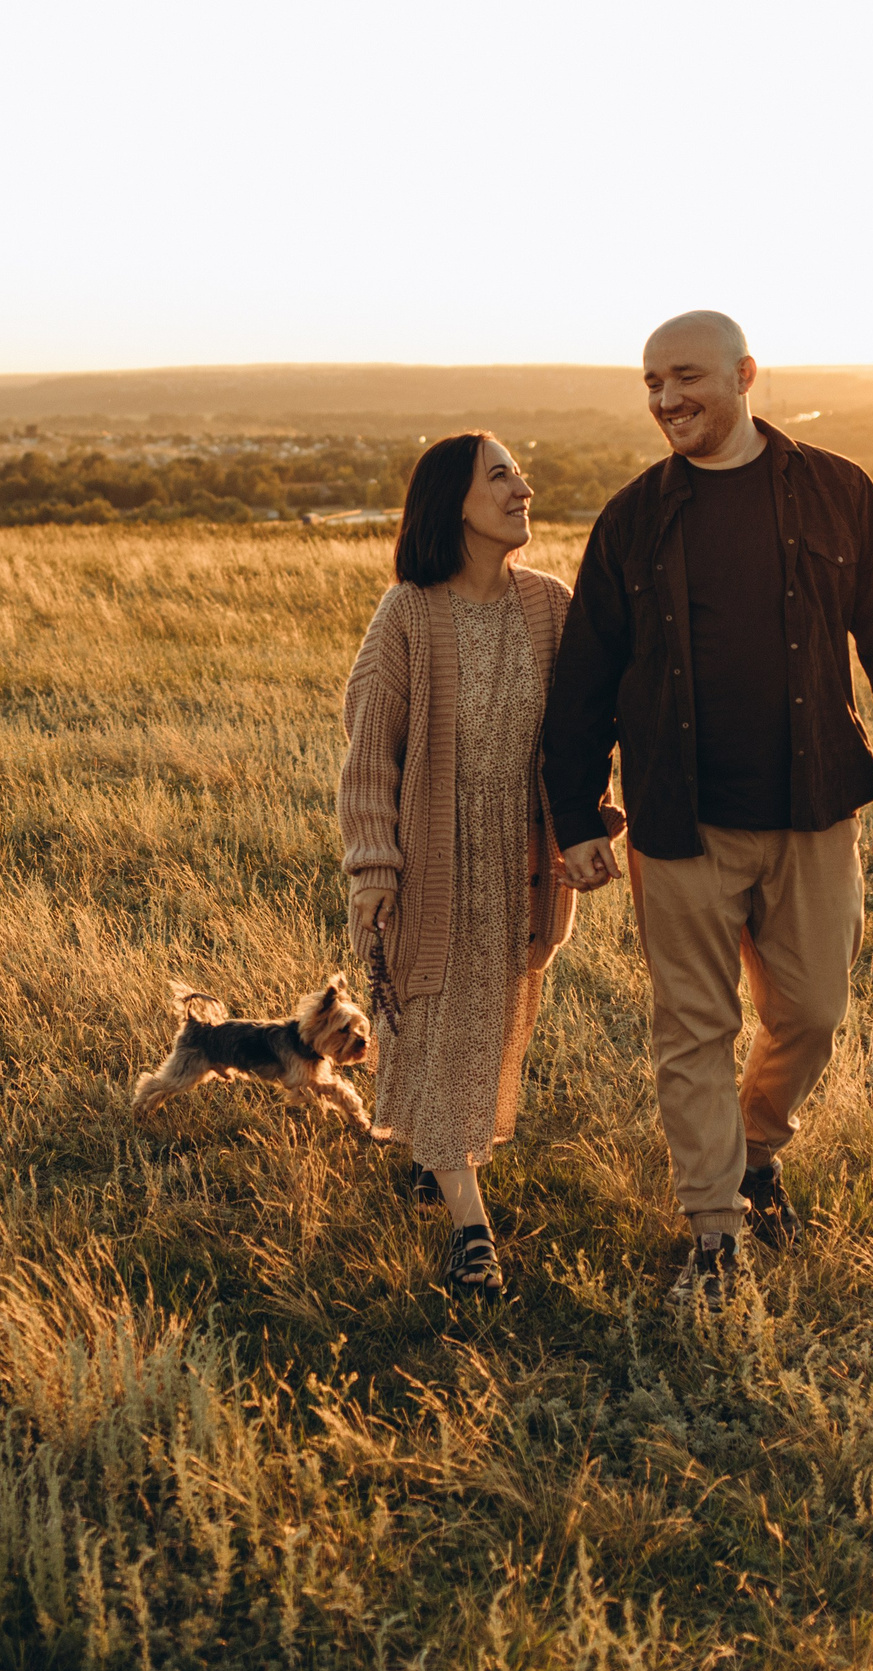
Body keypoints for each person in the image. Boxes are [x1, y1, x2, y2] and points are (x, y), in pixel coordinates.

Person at [542, 311, 873, 1300]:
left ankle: (756, 1148)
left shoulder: (837, 491)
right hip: (678, 824)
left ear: (745, 375)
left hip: (812, 811)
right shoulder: (633, 518)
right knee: (691, 1027)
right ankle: (713, 1231)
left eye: (684, 377)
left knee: (809, 1012)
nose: (666, 399)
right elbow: (586, 677)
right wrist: (577, 811)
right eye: (650, 383)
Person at [340, 433, 621, 1303]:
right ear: (453, 503)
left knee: (482, 1025)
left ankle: (435, 1157)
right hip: (431, 857)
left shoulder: (550, 605)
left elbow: (583, 732)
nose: (522, 487)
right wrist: (375, 868)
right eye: (500, 476)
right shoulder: (408, 615)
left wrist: (588, 822)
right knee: (434, 1022)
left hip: (519, 858)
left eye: (518, 473)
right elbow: (368, 756)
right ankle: (472, 1233)